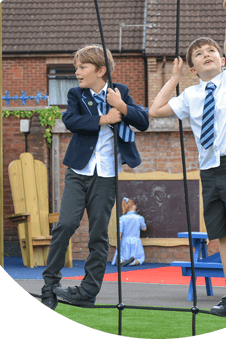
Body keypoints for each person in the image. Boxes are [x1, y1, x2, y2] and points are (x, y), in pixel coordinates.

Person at [149, 0, 226, 319]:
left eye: (211, 51)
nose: (207, 54)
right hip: (209, 169)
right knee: (222, 234)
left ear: (221, 61)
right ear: (193, 69)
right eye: (199, 54)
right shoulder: (192, 96)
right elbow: (155, 111)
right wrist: (173, 79)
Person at [41, 45, 149, 310]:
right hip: (79, 172)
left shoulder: (119, 91)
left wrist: (121, 106)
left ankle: (88, 290)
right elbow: (71, 121)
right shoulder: (76, 94)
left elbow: (143, 121)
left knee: (99, 234)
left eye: (82, 67)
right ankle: (49, 285)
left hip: (107, 175)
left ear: (101, 70)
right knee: (66, 224)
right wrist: (105, 118)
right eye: (76, 67)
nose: (77, 72)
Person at [111, 197, 147, 267]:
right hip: (135, 241)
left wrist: (117, 243)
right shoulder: (139, 218)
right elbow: (144, 228)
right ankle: (132, 262)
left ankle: (121, 261)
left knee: (123, 255)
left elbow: (119, 232)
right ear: (133, 206)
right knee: (139, 258)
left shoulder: (122, 218)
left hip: (125, 241)